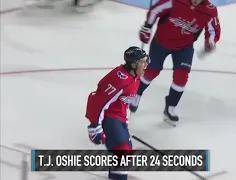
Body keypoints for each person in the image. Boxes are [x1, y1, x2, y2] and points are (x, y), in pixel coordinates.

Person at [129, 0, 221, 125]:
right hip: (161, 42)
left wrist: (210, 42)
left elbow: (213, 30)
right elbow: (156, 9)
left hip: (184, 47)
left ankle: (170, 107)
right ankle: (137, 93)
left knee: (181, 78)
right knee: (151, 71)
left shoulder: (210, 10)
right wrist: (147, 27)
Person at [85, 46, 149, 180]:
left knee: (125, 153)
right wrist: (95, 127)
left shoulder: (135, 77)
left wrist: (124, 124)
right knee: (122, 152)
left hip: (118, 119)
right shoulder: (120, 80)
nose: (146, 65)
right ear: (133, 64)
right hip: (109, 118)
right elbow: (98, 101)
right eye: (143, 62)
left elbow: (122, 103)